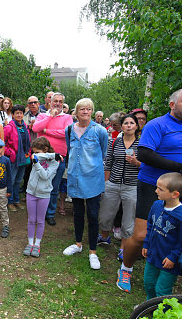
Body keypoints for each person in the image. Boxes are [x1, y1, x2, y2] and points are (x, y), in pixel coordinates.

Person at [117, 88, 182, 293]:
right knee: (141, 236)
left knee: (173, 235)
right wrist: (181, 168)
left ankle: (165, 276)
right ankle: (126, 268)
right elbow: (145, 154)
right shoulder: (157, 125)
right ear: (172, 105)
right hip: (154, 187)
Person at [63, 98, 108, 270]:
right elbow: (70, 150)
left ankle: (93, 252)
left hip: (93, 179)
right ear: (76, 112)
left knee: (93, 214)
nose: (85, 112)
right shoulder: (69, 130)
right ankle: (78, 244)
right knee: (77, 212)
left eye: (89, 109)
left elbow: (103, 153)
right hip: (75, 178)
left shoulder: (100, 131)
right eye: (82, 109)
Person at [142, 173, 182, 300]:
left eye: (160, 189)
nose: (156, 191)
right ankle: (148, 308)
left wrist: (173, 257)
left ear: (175, 194)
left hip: (169, 261)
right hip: (153, 255)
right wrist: (146, 243)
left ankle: (162, 313)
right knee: (149, 284)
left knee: (162, 290)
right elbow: (150, 224)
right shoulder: (157, 205)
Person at [97, 114, 141, 262]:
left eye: (131, 123)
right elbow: (108, 162)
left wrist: (136, 162)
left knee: (128, 218)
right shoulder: (115, 142)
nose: (129, 125)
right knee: (105, 213)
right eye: (126, 123)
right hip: (113, 183)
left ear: (136, 126)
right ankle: (104, 237)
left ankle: (124, 248)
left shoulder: (141, 145)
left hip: (131, 185)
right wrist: (106, 182)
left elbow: (147, 167)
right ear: (121, 126)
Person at [32, 92, 73, 226]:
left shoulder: (67, 117)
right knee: (39, 185)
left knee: (53, 187)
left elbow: (66, 133)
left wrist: (47, 131)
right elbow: (36, 128)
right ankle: (39, 213)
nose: (58, 104)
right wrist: (50, 117)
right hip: (42, 157)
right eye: (55, 101)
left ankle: (50, 213)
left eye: (60, 101)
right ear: (50, 101)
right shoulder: (43, 115)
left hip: (59, 157)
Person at [24, 137, 61, 258]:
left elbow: (45, 176)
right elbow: (34, 157)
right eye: (34, 152)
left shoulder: (55, 162)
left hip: (44, 195)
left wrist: (37, 163)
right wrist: (48, 155)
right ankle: (30, 243)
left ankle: (37, 244)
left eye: (37, 152)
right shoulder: (41, 157)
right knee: (31, 219)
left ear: (45, 149)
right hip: (31, 192)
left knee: (40, 221)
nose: (35, 155)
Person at [4, 104, 31, 212]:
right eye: (17, 113)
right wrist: (10, 153)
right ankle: (9, 202)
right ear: (13, 115)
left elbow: (27, 142)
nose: (19, 115)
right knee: (11, 180)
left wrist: (28, 152)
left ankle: (16, 200)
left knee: (18, 180)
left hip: (23, 158)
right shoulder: (9, 127)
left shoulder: (25, 127)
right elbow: (2, 143)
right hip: (13, 159)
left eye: (21, 113)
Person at [22, 96, 45, 193]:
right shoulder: (24, 115)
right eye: (30, 103)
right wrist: (29, 126)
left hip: (41, 146)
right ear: (28, 105)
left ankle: (40, 189)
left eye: (35, 102)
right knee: (28, 169)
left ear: (38, 104)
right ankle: (26, 188)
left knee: (41, 168)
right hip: (29, 145)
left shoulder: (44, 114)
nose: (33, 104)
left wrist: (36, 126)